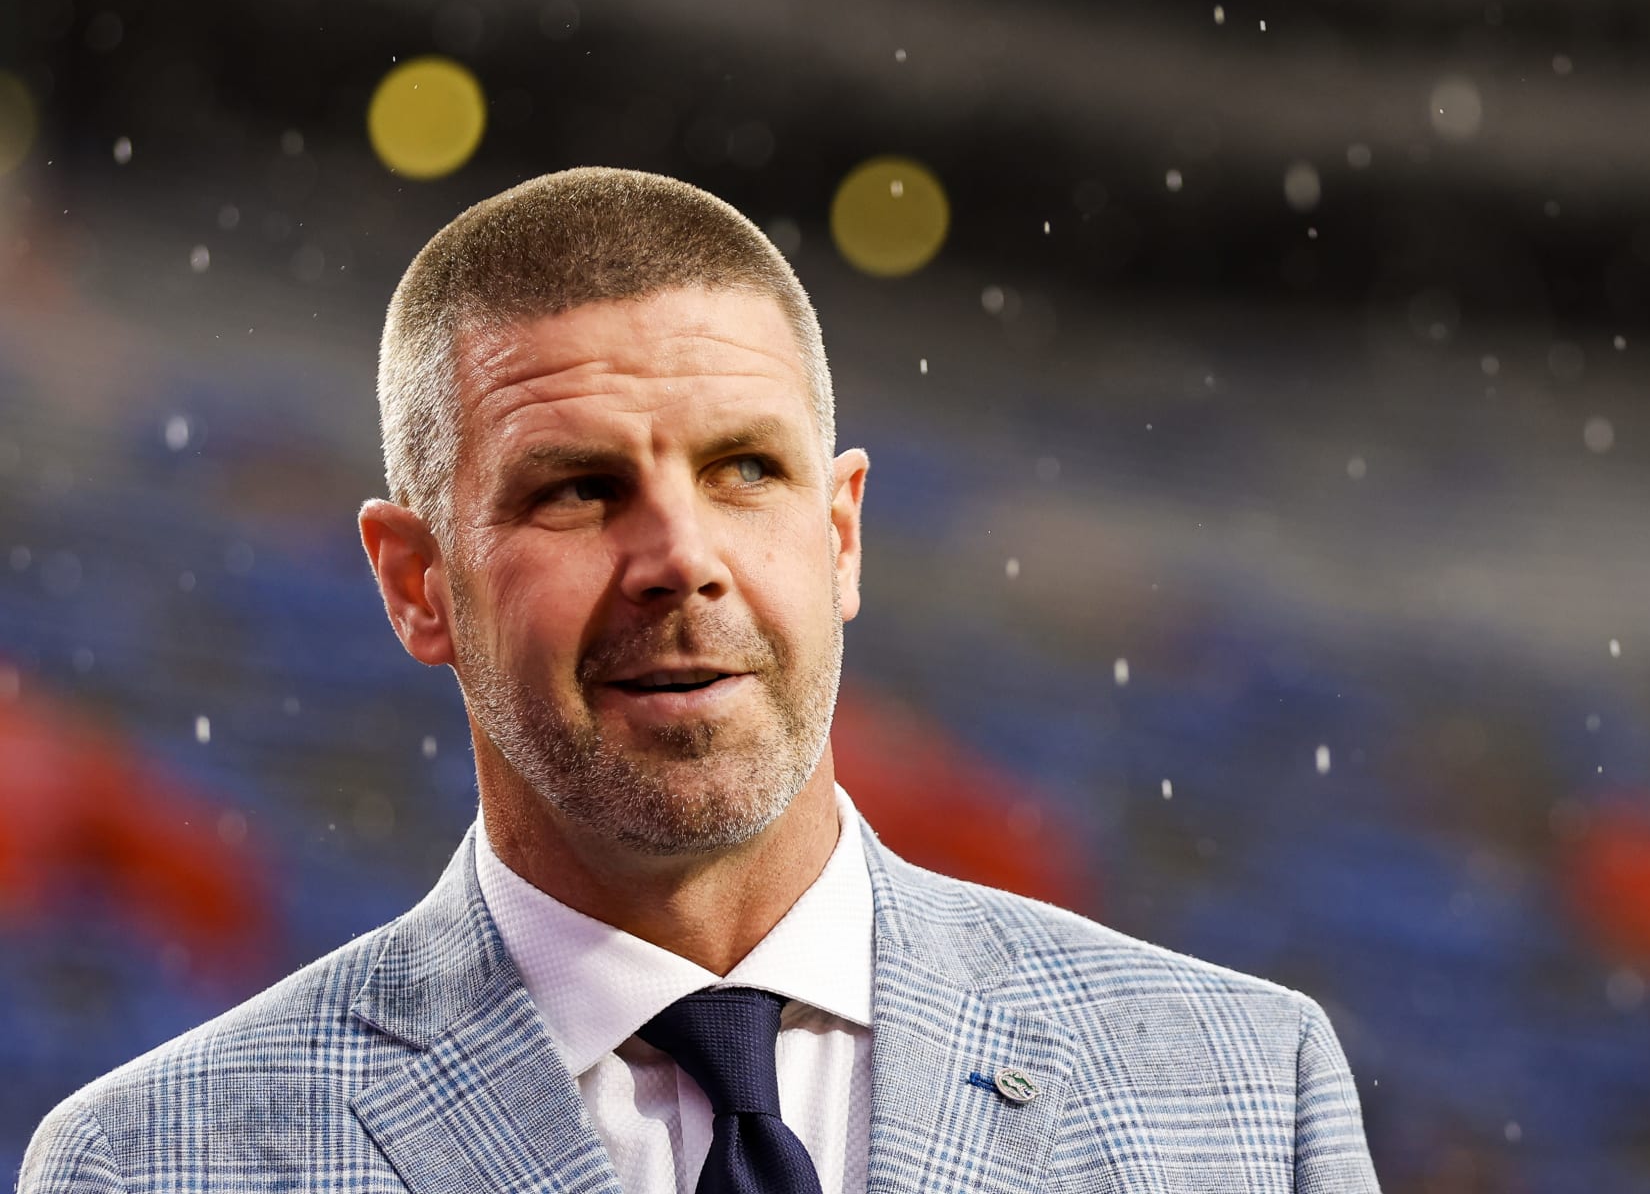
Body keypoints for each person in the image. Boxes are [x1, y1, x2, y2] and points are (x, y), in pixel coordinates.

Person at [20, 168, 1381, 1193]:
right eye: (577, 488)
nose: (682, 558)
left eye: (746, 470)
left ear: (840, 533)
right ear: (417, 583)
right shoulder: (156, 1164)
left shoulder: (1245, 1099)